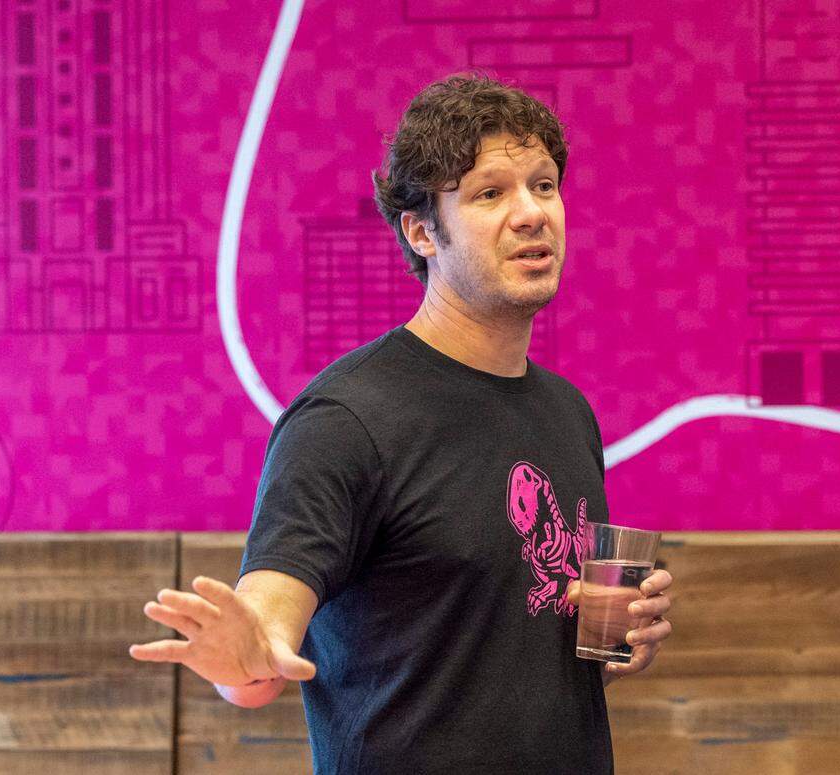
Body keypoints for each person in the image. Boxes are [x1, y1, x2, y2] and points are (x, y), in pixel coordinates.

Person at [129, 73, 674, 774]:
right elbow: (265, 633)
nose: (532, 213)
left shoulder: (568, 412)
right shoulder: (346, 419)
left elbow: (512, 661)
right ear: (421, 232)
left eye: (543, 185)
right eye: (489, 193)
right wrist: (246, 657)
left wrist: (620, 641)